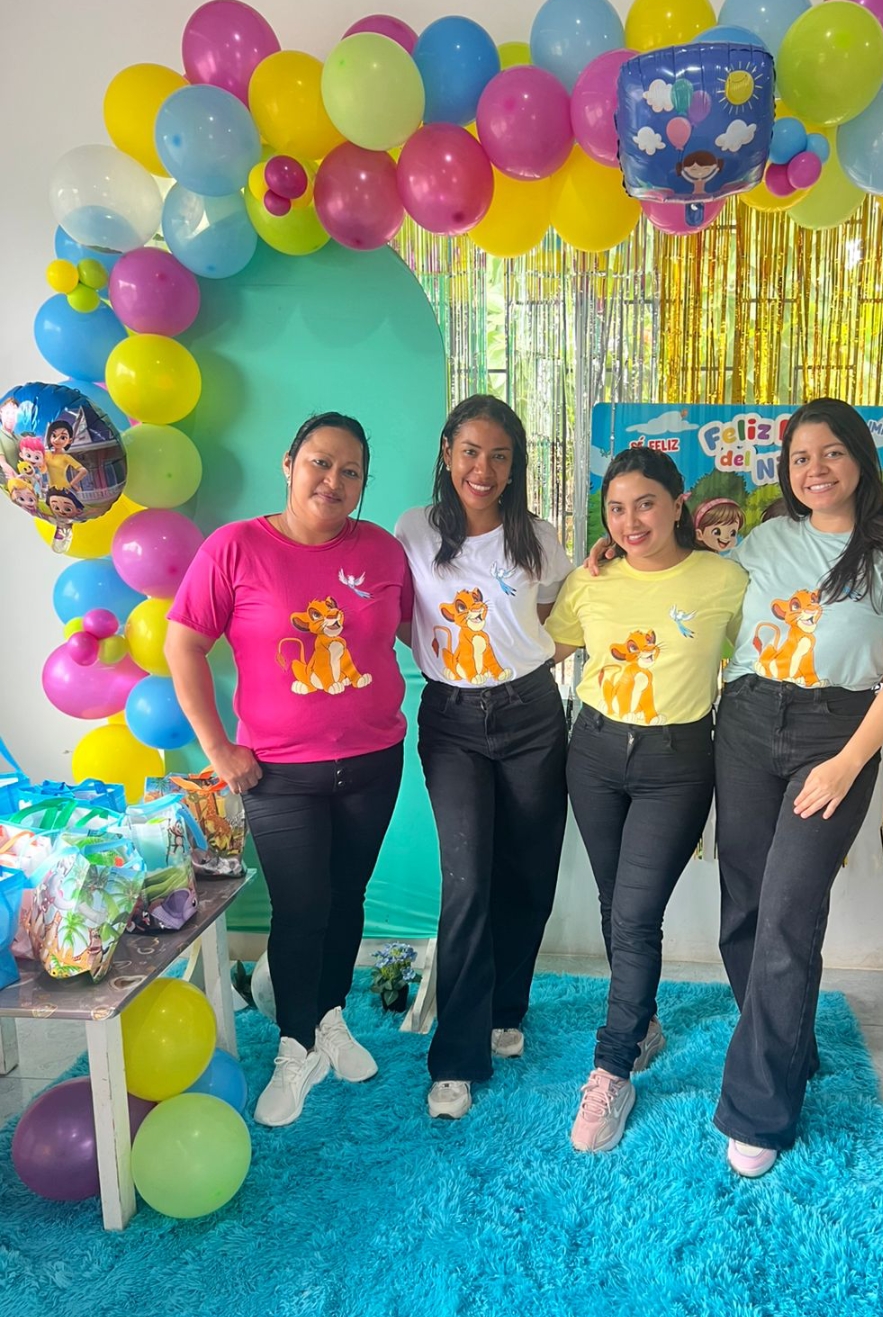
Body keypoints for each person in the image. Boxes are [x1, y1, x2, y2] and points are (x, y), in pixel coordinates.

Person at [713, 397, 883, 1178]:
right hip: (747, 721)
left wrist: (846, 762)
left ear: (860, 460)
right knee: (744, 907)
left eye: (832, 452)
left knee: (788, 912)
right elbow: (689, 592)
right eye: (801, 457)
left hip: (836, 734)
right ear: (787, 470)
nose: (816, 469)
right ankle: (789, 1046)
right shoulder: (763, 541)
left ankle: (759, 1111)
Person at [166, 412, 413, 1128]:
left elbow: (424, 629)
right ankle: (294, 1046)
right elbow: (183, 646)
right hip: (278, 774)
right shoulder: (235, 547)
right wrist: (219, 749)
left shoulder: (382, 551)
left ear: (363, 484)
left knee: (347, 898)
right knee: (301, 909)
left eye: (350, 471)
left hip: (373, 761)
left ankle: (331, 1018)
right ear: (289, 464)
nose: (333, 480)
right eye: (319, 463)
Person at [546, 446, 747, 1153]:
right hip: (593, 752)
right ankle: (644, 1025)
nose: (631, 521)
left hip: (678, 762)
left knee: (635, 915)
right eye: (616, 509)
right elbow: (540, 650)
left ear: (678, 503)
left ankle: (612, 1068)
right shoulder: (590, 580)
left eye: (645, 504)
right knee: (616, 905)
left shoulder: (725, 579)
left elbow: (761, 655)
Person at [394, 395, 573, 1121]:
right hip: (453, 721)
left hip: (533, 713)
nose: (484, 468)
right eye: (471, 451)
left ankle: (506, 1011)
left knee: (528, 875)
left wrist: (521, 659)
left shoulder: (538, 537)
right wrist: (450, 665)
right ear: (447, 452)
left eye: (500, 456)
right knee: (468, 884)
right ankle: (455, 1059)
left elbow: (561, 613)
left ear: (515, 465)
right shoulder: (414, 530)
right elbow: (400, 617)